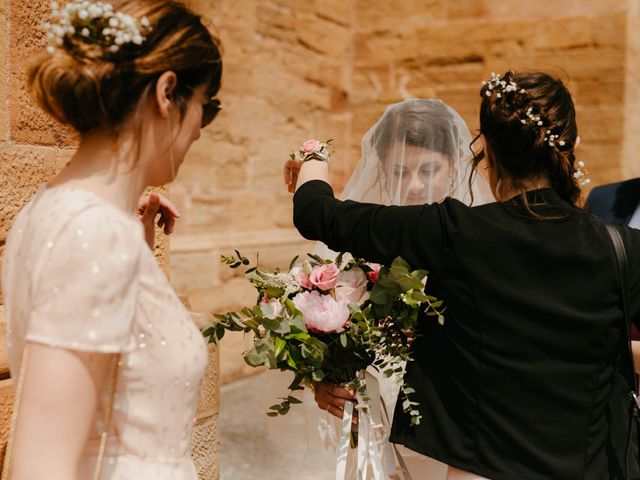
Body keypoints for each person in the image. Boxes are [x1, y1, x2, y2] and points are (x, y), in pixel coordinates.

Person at [285, 71, 640, 480]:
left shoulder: (455, 232)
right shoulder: (623, 250)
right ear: (572, 147)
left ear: (484, 150)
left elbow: (317, 214)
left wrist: (313, 156)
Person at [1, 1, 222, 478]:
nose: (200, 133)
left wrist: (137, 254)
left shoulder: (55, 213)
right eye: (206, 106)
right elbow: (44, 467)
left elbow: (114, 383)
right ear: (168, 93)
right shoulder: (94, 234)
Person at [309, 98, 492, 479]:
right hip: (373, 436)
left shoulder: (482, 243)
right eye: (399, 171)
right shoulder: (357, 238)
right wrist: (324, 379)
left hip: (454, 441)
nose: (412, 185)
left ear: (453, 165)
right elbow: (327, 332)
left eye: (428, 170)